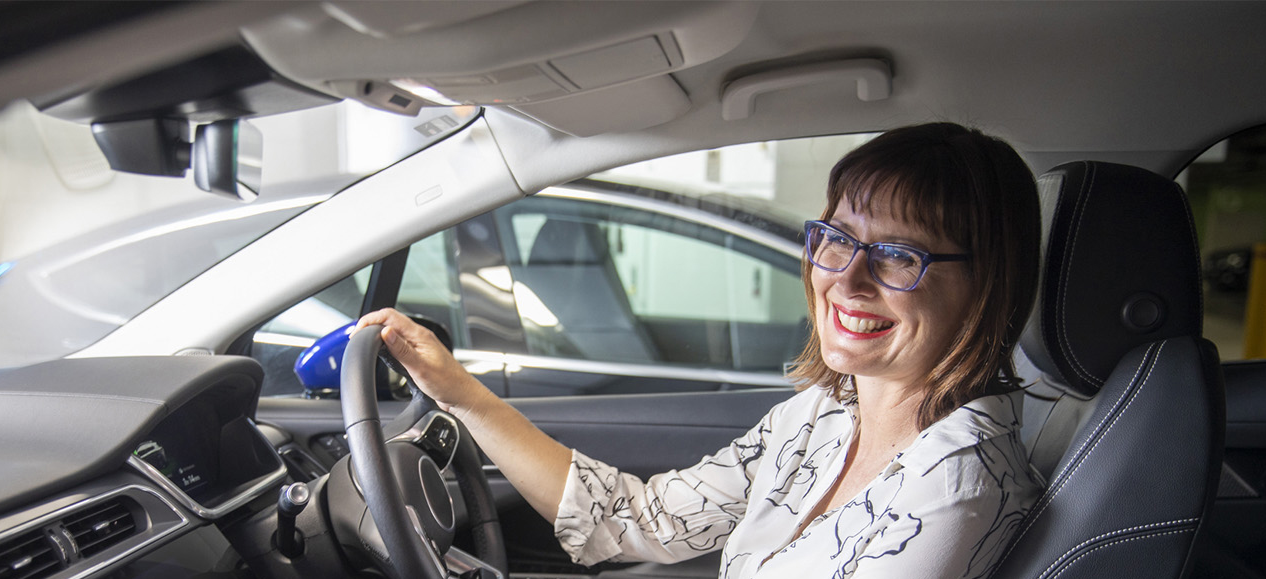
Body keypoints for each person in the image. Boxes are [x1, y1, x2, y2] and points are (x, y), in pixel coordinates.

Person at [356, 122, 1046, 579]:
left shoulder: (958, 487)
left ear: (987, 283)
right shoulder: (824, 415)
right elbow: (641, 520)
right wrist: (461, 394)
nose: (846, 277)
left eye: (898, 254)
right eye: (836, 238)